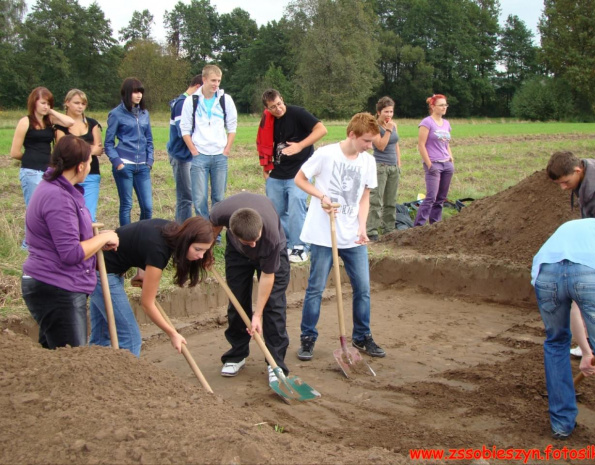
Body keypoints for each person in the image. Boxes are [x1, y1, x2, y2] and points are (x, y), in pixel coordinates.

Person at [294, 112, 386, 361]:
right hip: (324, 233)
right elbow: (300, 178)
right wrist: (321, 196)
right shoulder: (326, 154)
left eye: (372, 141)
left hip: (352, 234)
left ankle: (362, 336)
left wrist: (362, 226)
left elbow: (365, 196)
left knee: (363, 288)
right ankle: (308, 338)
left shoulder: (367, 161)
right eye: (366, 141)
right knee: (316, 288)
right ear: (352, 135)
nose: (370, 146)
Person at [21, 135, 119, 349]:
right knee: (72, 362)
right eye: (90, 161)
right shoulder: (58, 197)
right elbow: (71, 253)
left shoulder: (60, 190)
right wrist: (103, 237)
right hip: (56, 286)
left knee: (57, 361)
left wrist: (97, 242)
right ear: (81, 165)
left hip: (56, 283)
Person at [531, 218, 595, 439]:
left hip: (547, 275)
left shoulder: (586, 229)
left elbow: (573, 306)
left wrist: (586, 351)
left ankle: (561, 424)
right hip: (590, 275)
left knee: (555, 343)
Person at [89, 217, 214, 357]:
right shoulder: (159, 251)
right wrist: (172, 334)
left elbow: (140, 241)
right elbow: (147, 304)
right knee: (130, 337)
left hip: (104, 267)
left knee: (101, 335)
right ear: (186, 240)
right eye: (198, 249)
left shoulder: (169, 230)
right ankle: (127, 377)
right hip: (100, 273)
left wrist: (142, 271)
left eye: (205, 251)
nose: (201, 256)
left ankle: (94, 374)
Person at [546, 151, 595, 373]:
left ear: (578, 170)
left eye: (565, 182)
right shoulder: (588, 172)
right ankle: (591, 342)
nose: (563, 188)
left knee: (591, 292)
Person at [208, 193, 289, 384]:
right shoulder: (221, 212)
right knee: (237, 302)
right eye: (248, 243)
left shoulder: (271, 239)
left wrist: (257, 315)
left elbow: (268, 277)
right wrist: (207, 250)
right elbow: (213, 227)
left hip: (272, 255)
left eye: (255, 240)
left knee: (273, 306)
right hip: (237, 255)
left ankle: (275, 364)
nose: (253, 245)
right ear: (233, 232)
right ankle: (236, 355)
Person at [258, 89, 327, 262]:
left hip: (300, 172)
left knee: (297, 206)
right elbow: (264, 144)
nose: (278, 109)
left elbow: (321, 130)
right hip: (277, 172)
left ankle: (300, 246)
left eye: (279, 104)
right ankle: (284, 244)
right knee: (276, 211)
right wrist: (265, 168)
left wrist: (300, 146)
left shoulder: (298, 113)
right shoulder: (268, 121)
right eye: (273, 107)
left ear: (283, 99)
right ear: (267, 108)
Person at [10, 87, 75, 248]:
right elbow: (14, 152)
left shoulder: (49, 121)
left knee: (48, 207)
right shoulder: (25, 121)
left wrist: (51, 112)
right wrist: (30, 158)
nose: (46, 106)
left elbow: (69, 122)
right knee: (34, 207)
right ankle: (28, 243)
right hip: (31, 170)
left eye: (49, 103)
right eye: (43, 103)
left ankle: (42, 242)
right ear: (34, 102)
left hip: (47, 170)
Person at [180, 64, 238, 220]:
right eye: (213, 80)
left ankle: (216, 232)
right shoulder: (191, 101)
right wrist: (193, 150)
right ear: (204, 79)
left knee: (219, 197)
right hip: (200, 156)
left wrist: (226, 150)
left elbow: (232, 126)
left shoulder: (226, 100)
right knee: (199, 199)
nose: (216, 84)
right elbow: (184, 128)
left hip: (220, 155)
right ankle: (203, 232)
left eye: (218, 81)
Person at [105, 77, 154, 227]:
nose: (139, 95)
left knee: (147, 207)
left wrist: (150, 161)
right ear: (126, 93)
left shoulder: (144, 113)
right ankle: (125, 239)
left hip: (143, 167)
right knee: (127, 205)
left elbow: (149, 140)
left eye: (141, 92)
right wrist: (118, 163)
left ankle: (141, 235)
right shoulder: (116, 114)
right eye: (135, 92)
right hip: (125, 165)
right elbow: (108, 143)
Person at [55, 89, 103, 221]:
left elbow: (98, 149)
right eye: (76, 103)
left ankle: (88, 240)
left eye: (83, 103)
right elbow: (63, 151)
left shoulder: (93, 123)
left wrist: (75, 149)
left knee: (88, 216)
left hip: (91, 173)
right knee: (69, 214)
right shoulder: (60, 127)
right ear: (67, 103)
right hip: (69, 174)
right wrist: (89, 149)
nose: (80, 106)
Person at [413, 94, 454, 227]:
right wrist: (429, 164)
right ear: (433, 106)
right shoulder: (427, 122)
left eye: (445, 105)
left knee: (441, 198)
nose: (444, 107)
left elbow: (446, 143)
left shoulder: (446, 123)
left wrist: (451, 158)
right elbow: (421, 145)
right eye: (441, 105)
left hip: (446, 164)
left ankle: (435, 225)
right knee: (431, 197)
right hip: (434, 164)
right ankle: (418, 227)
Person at [167, 74, 203, 224]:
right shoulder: (182, 104)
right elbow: (184, 133)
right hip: (182, 156)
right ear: (197, 87)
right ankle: (182, 231)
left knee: (192, 195)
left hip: (190, 156)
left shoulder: (189, 102)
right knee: (185, 197)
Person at [367, 96, 401, 241]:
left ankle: (389, 228)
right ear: (379, 112)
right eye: (386, 112)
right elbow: (380, 146)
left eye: (391, 112)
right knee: (376, 199)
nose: (389, 115)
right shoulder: (373, 126)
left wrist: (399, 163)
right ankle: (371, 230)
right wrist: (387, 130)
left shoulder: (393, 125)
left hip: (393, 167)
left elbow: (396, 144)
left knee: (391, 200)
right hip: (380, 166)